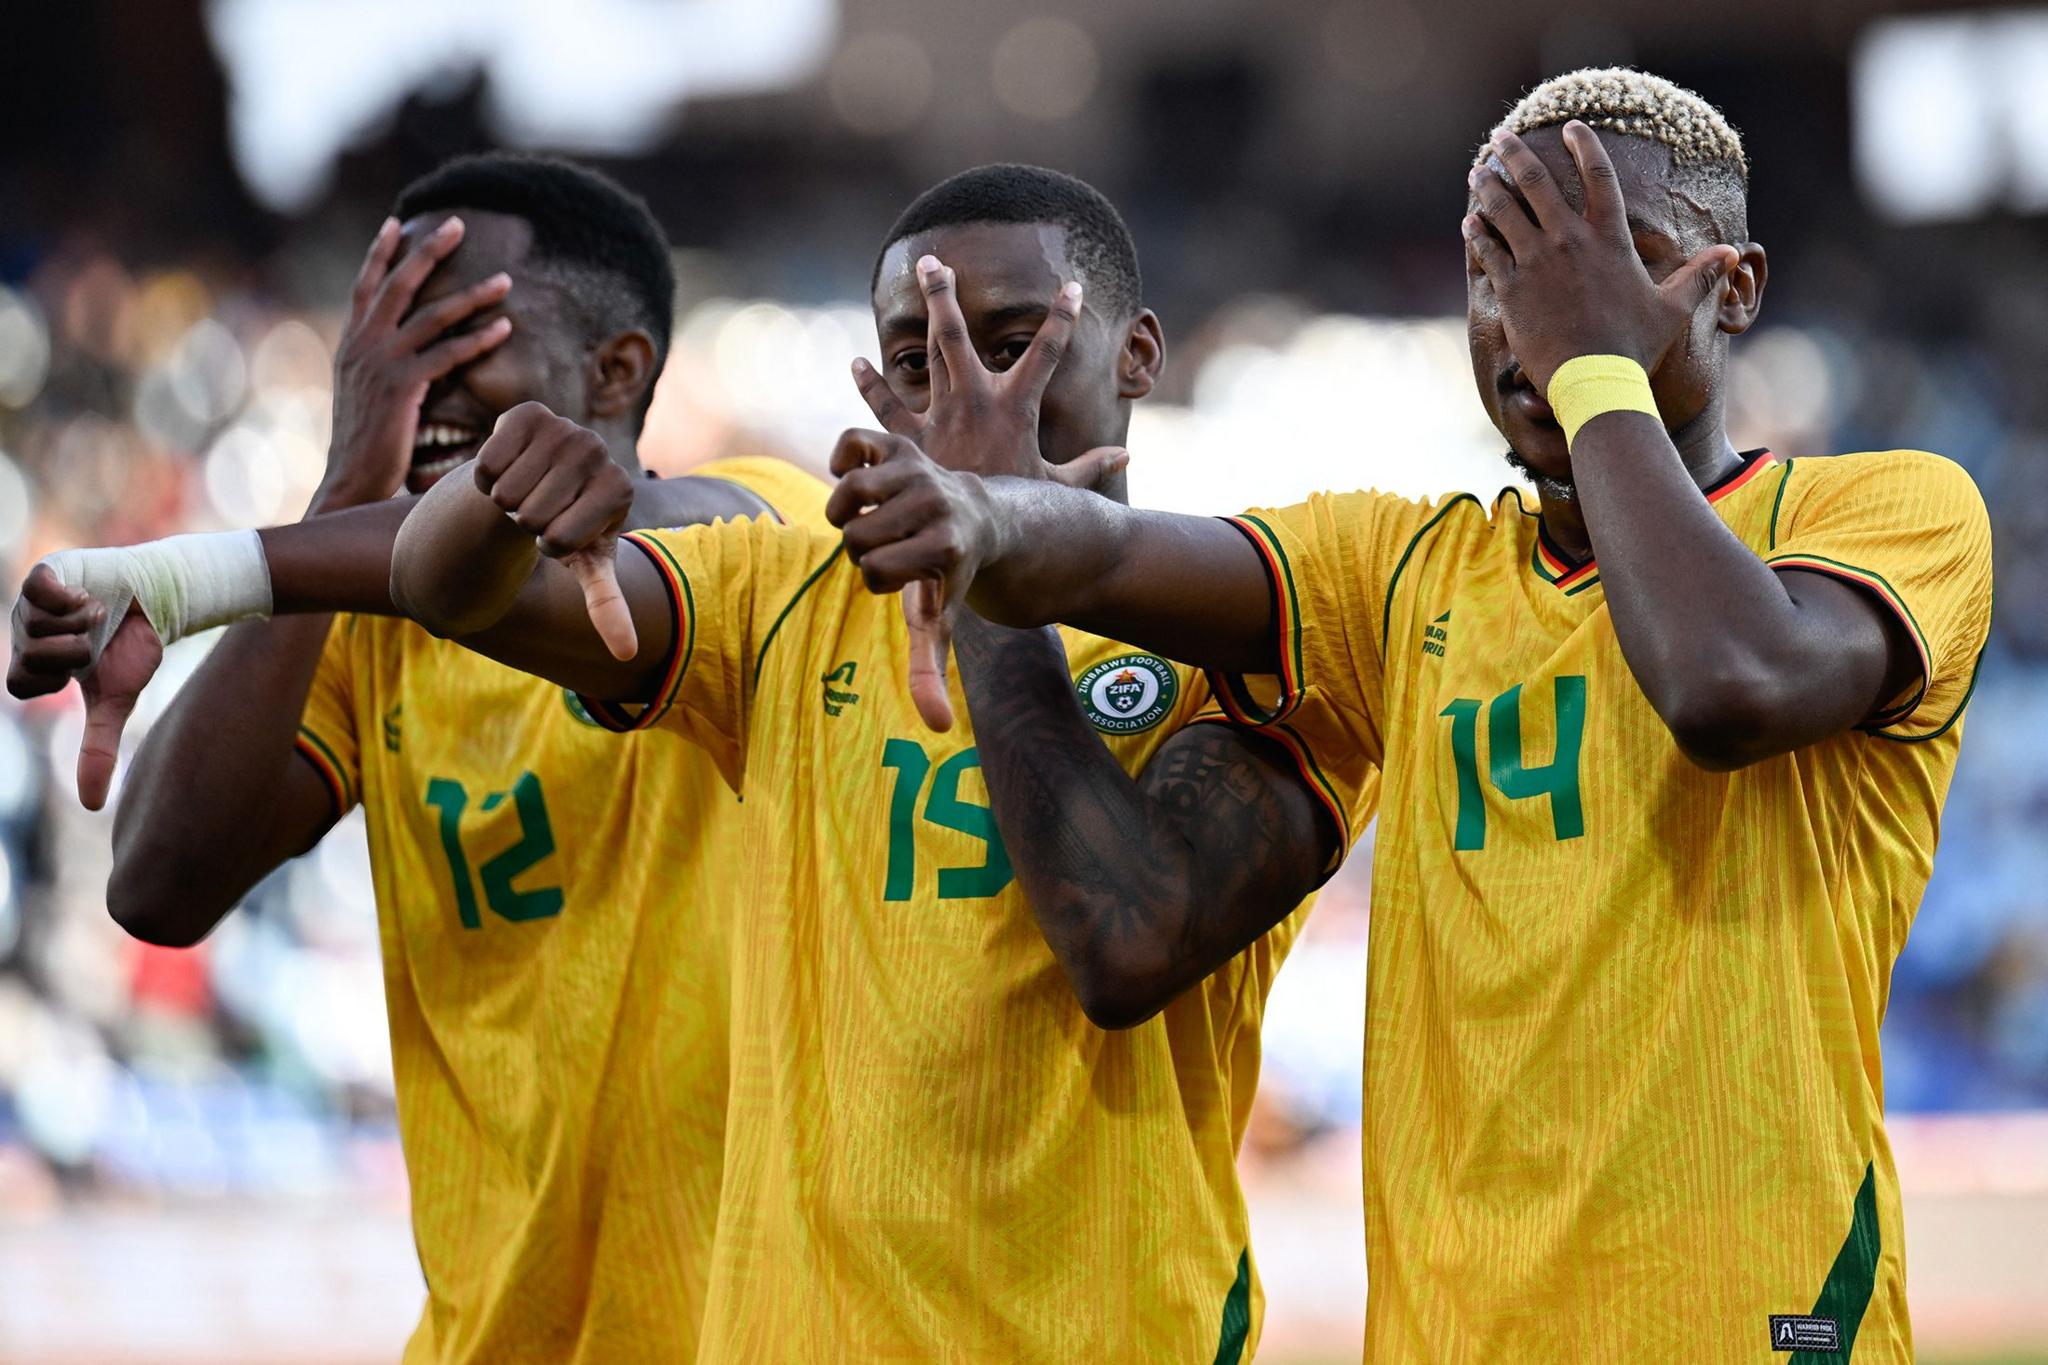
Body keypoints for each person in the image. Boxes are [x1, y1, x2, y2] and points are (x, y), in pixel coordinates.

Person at [10, 165, 1367, 1361]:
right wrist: (254, 545)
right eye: (916, 362)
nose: (962, 394)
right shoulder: (736, 607)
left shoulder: (1260, 639)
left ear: (1138, 352)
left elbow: (1122, 946)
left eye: (1008, 344)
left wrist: (988, 552)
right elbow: (163, 881)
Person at [826, 73, 1994, 1361]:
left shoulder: (1891, 510)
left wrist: (1592, 364)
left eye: (1612, 263)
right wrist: (986, 516)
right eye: (1499, 267)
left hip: (1748, 1324)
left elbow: (1728, 686)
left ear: (1735, 290)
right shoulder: (1397, 575)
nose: (1533, 315)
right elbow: (1099, 556)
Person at [13, 152, 830, 1364]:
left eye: (450, 341)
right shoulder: (375, 626)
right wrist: (346, 478)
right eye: (376, 354)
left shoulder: (758, 531)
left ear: (616, 371)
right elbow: (157, 885)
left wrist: (218, 573)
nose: (407, 390)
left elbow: (671, 524)